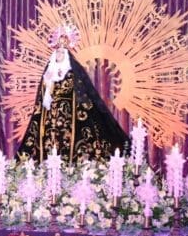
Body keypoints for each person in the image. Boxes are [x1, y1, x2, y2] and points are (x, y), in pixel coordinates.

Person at [15, 23, 129, 164]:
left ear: (67, 55)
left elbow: (71, 90)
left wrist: (56, 87)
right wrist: (47, 82)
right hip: (50, 115)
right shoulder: (49, 72)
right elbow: (43, 95)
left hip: (69, 114)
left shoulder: (71, 73)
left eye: (62, 52)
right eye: (58, 52)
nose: (59, 54)